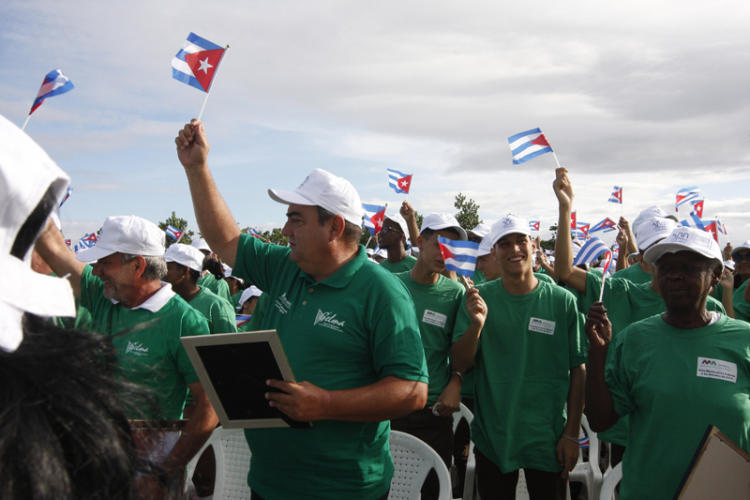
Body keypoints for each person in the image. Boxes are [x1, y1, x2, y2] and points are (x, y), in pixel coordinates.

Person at [175, 119, 429, 500]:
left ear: (335, 227)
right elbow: (225, 239)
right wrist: (197, 169)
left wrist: (326, 404)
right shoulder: (285, 266)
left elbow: (413, 391)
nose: (284, 230)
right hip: (268, 483)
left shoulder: (382, 292)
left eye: (296, 218)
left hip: (345, 490)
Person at [34, 215, 219, 496]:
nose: (95, 271)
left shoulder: (185, 321)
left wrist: (164, 473)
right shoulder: (105, 296)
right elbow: (55, 250)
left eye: (104, 262)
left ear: (138, 265)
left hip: (150, 467)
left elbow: (209, 407)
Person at [552, 167, 727, 463]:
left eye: (678, 257)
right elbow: (565, 271)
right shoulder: (620, 291)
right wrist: (565, 207)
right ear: (645, 258)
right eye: (659, 256)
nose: (671, 267)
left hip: (699, 442)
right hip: (629, 431)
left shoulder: (718, 317)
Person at [585, 226, 750, 499]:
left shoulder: (744, 340)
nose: (674, 275)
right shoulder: (634, 339)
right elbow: (601, 420)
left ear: (716, 277)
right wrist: (598, 353)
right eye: (665, 267)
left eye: (688, 267)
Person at [452, 214, 586, 500]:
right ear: (494, 253)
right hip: (494, 439)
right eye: (505, 243)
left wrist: (572, 433)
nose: (514, 249)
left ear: (534, 246)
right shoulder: (479, 298)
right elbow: (460, 364)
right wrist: (476, 325)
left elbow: (579, 369)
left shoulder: (563, 302)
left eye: (520, 241)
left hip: (548, 439)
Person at [391, 213, 487, 500]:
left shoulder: (456, 294)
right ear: (420, 241)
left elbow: (460, 357)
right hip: (383, 407)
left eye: (454, 248)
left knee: (431, 491)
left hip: (431, 412)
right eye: (439, 243)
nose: (446, 254)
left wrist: (476, 325)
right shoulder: (388, 284)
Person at [164, 242, 238, 334]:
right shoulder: (162, 302)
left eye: (166, 268)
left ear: (184, 271)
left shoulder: (218, 307)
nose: (161, 272)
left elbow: (229, 346)